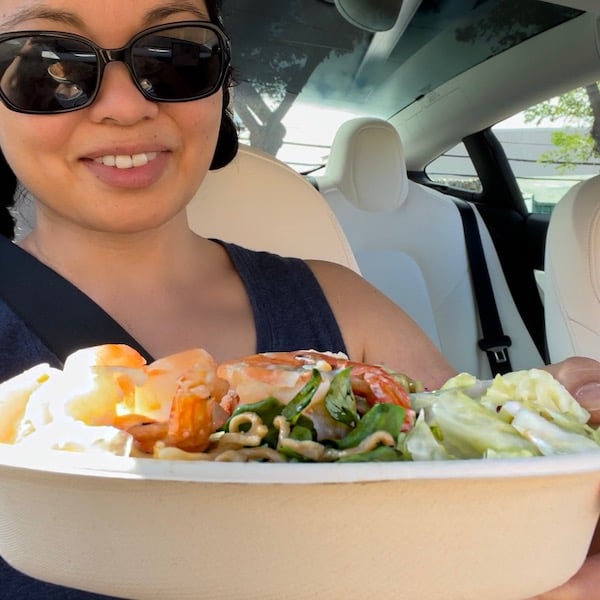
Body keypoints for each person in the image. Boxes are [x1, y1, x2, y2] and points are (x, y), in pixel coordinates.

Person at [0, 1, 597, 598]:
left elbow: (474, 500)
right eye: (49, 64)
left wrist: (549, 434)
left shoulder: (345, 306)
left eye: (176, 55)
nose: (127, 106)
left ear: (221, 84)